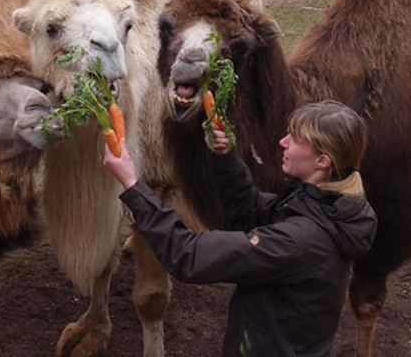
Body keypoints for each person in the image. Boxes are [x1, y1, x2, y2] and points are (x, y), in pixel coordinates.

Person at [103, 100, 378, 357]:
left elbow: (188, 255)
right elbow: (252, 211)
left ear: (322, 161)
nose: (283, 142)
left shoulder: (299, 240)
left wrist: (132, 184)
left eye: (295, 139)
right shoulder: (329, 205)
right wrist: (224, 157)